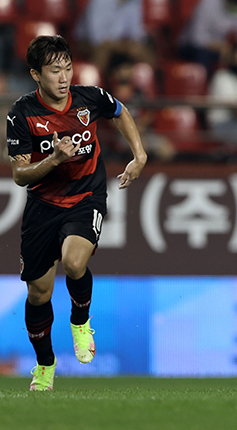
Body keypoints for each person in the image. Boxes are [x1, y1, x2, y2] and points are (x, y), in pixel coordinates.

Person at [6, 35, 147, 391]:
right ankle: (45, 365)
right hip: (42, 206)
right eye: (55, 71)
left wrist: (139, 154)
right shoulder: (21, 114)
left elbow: (120, 111)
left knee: (73, 261)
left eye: (67, 68)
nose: (64, 76)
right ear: (36, 74)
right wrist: (53, 159)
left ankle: (81, 321)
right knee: (38, 293)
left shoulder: (89, 98)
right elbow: (20, 174)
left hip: (87, 198)